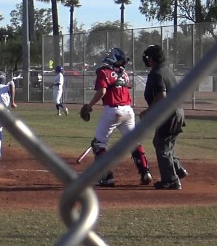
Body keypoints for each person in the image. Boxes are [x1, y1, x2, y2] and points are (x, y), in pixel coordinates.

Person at [80, 47, 153, 187]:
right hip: (128, 110)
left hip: (112, 110)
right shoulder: (124, 73)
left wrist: (89, 106)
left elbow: (102, 91)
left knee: (99, 144)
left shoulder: (103, 71)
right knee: (133, 142)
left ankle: (107, 178)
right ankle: (145, 172)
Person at [141, 44, 188, 190]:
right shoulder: (167, 69)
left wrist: (147, 112)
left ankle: (171, 180)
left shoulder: (157, 73)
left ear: (151, 58)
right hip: (177, 112)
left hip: (169, 114)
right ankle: (178, 170)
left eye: (147, 57)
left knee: (162, 146)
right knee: (167, 145)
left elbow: (161, 95)